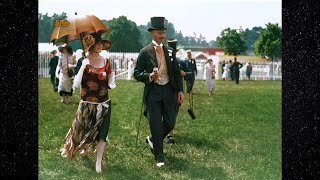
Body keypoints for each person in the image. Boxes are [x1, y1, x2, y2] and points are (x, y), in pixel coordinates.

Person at [60, 32, 115, 173]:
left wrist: (112, 82)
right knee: (81, 131)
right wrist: (84, 66)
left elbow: (111, 78)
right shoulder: (83, 61)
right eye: (96, 43)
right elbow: (76, 84)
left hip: (104, 105)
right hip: (87, 105)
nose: (99, 45)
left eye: (101, 43)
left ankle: (98, 163)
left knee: (102, 134)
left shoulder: (106, 61)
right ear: (89, 45)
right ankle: (81, 147)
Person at [133, 17, 183, 167]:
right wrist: (148, 76)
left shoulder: (170, 51)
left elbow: (175, 73)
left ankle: (154, 140)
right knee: (155, 125)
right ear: (152, 33)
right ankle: (159, 157)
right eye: (159, 32)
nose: (162, 35)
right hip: (153, 92)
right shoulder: (144, 52)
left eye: (163, 32)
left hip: (169, 91)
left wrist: (180, 90)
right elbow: (137, 73)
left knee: (170, 122)